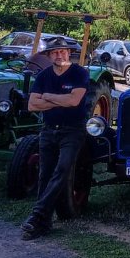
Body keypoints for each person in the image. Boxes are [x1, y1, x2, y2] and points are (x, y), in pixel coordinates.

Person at [20, 37, 91, 240]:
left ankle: (36, 217)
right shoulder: (43, 76)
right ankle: (43, 223)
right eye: (55, 52)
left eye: (62, 52)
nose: (59, 56)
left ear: (69, 54)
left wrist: (48, 97)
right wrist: (61, 100)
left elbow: (74, 101)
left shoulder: (79, 73)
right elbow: (32, 105)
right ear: (49, 56)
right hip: (49, 130)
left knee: (62, 170)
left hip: (73, 130)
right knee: (44, 174)